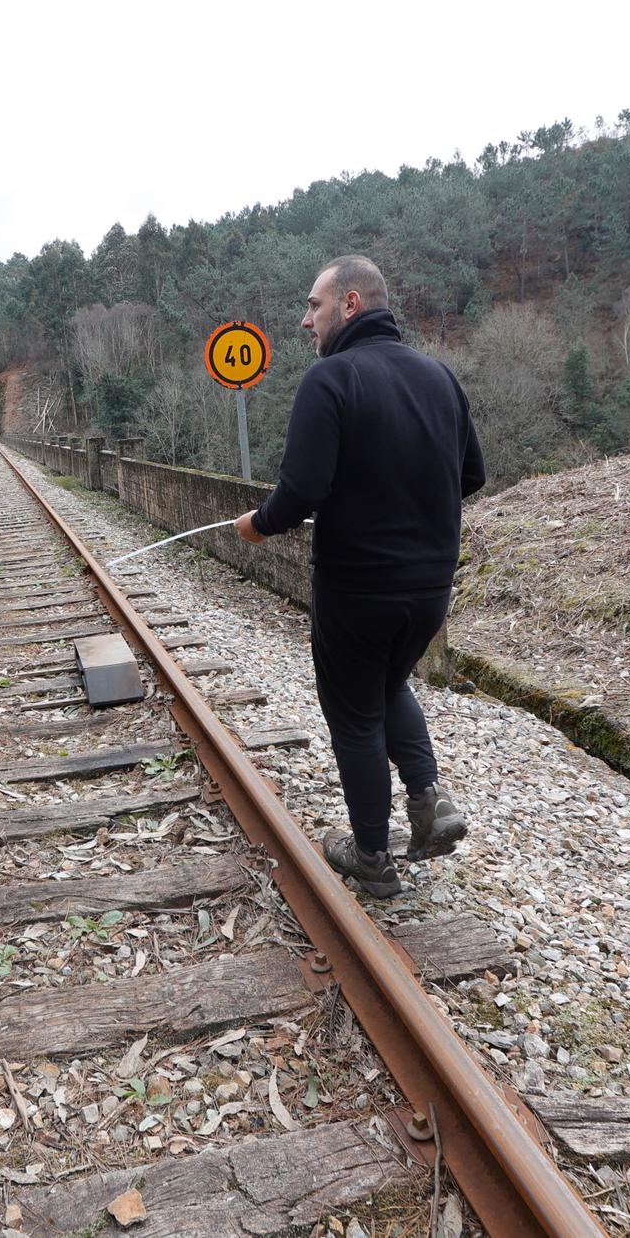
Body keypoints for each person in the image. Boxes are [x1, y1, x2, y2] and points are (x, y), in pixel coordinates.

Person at [235, 255, 484, 897]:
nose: (306, 320)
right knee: (389, 683)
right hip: (429, 590)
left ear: (350, 305)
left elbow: (301, 491)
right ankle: (429, 800)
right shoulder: (439, 377)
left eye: (313, 305)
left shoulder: (331, 378)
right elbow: (472, 476)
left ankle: (371, 854)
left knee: (353, 717)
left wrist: (257, 525)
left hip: (356, 589)